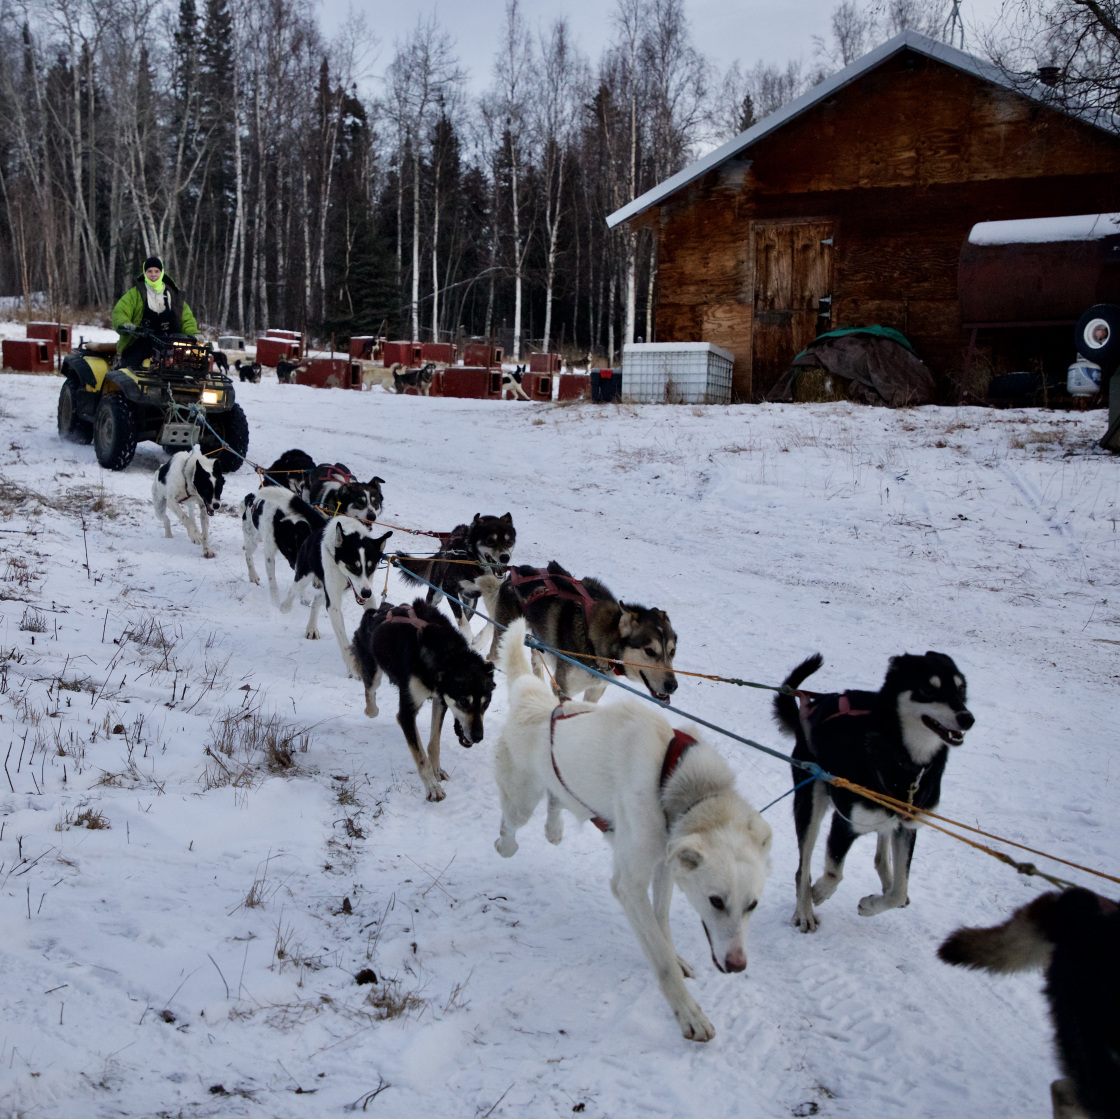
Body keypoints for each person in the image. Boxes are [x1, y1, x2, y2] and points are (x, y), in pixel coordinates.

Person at [111, 255, 199, 367]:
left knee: (187, 362)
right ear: (145, 273)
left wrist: (194, 333)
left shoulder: (173, 295)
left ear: (162, 272)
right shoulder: (135, 294)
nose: (153, 274)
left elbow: (186, 319)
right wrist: (127, 325)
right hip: (139, 342)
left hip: (167, 344)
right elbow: (120, 312)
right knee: (130, 367)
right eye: (149, 271)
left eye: (157, 271)